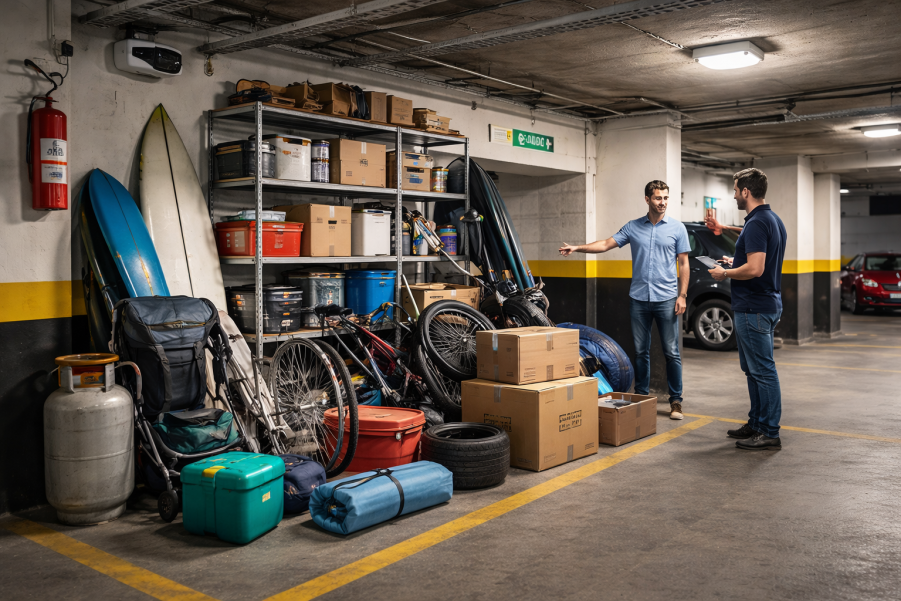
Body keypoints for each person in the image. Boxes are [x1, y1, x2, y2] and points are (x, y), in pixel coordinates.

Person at [559, 181, 690, 419]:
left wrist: (682, 295)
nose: (663, 202)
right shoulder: (633, 227)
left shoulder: (677, 228)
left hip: (667, 299)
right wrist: (578, 247)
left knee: (672, 352)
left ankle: (676, 401)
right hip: (639, 299)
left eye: (666, 198)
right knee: (641, 352)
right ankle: (641, 396)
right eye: (658, 198)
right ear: (647, 199)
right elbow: (606, 244)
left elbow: (684, 263)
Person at [708, 168, 786, 450]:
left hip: (754, 306)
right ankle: (757, 423)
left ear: (746, 192)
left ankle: (769, 431)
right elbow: (752, 254)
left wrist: (724, 274)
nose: (734, 195)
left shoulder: (757, 223)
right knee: (753, 370)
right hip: (764, 303)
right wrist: (732, 255)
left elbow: (755, 268)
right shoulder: (770, 219)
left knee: (762, 371)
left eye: (735, 190)